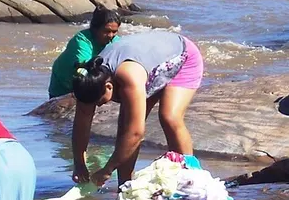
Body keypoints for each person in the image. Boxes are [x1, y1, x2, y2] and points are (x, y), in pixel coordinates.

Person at [70, 30, 203, 188]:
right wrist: (79, 163)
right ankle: (124, 186)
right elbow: (81, 126)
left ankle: (191, 179)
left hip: (181, 56)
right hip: (150, 63)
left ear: (108, 86)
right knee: (125, 126)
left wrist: (108, 169)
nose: (97, 106)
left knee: (169, 117)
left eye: (99, 101)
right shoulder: (88, 79)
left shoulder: (129, 77)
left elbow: (136, 133)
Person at [48, 8, 122, 98]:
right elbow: (86, 69)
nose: (110, 35)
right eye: (106, 31)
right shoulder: (82, 40)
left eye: (114, 32)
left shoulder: (116, 41)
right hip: (64, 86)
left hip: (92, 85)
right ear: (95, 29)